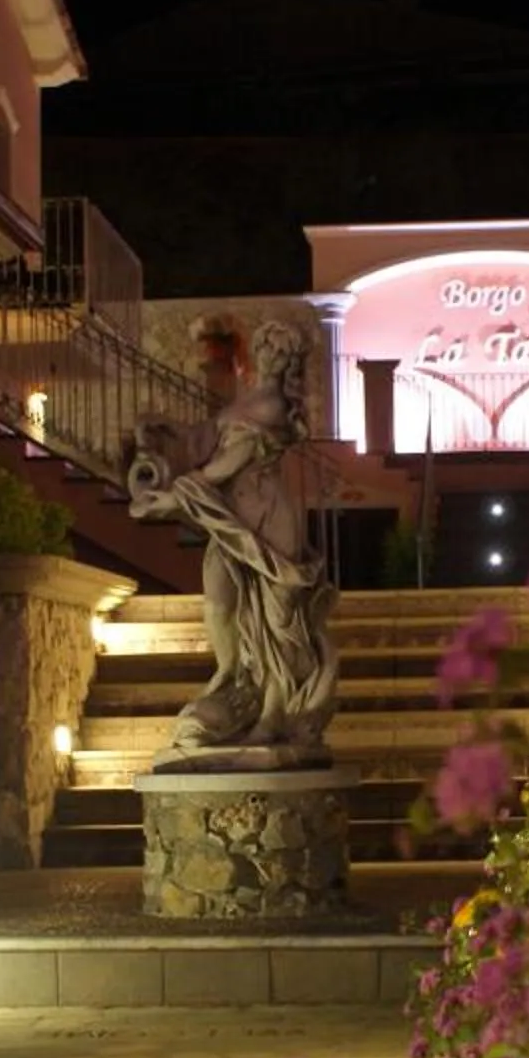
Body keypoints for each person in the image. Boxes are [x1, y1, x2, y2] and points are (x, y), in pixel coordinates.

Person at [126, 320, 338, 769]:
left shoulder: (276, 405)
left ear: (289, 366)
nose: (268, 357)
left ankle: (274, 713)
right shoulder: (246, 399)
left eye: (278, 353)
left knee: (277, 627)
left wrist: (175, 495)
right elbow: (208, 439)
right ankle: (229, 673)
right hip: (232, 524)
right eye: (264, 347)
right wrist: (171, 431)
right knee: (218, 603)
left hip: (268, 523)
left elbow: (224, 466)